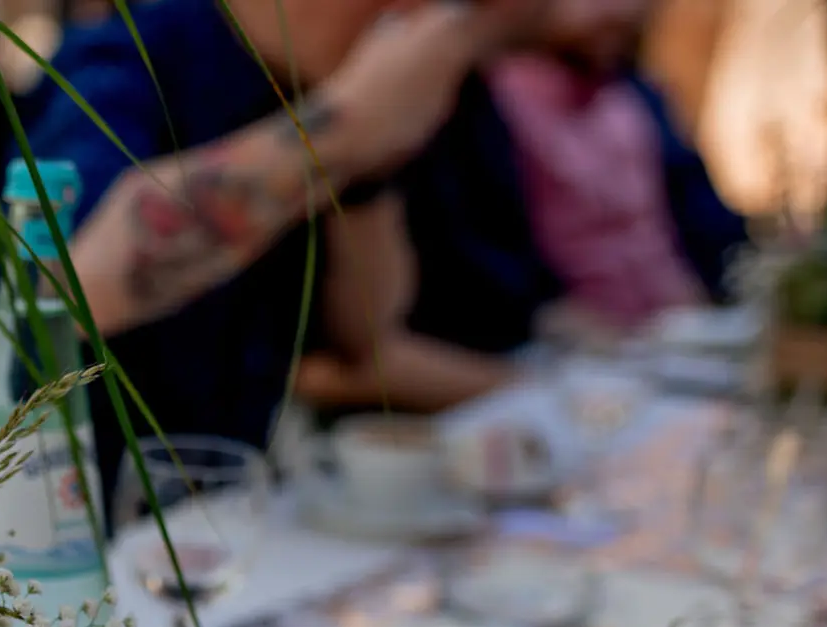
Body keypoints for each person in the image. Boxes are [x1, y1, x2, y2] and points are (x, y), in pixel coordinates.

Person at [24, 0, 536, 481]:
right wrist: (342, 127)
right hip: (65, 510)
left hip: (226, 497)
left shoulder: (312, 85)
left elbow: (363, 338)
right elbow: (72, 284)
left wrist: (371, 158)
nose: (418, 16)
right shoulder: (124, 60)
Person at [302, 0, 748, 413]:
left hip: (626, 357)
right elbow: (345, 359)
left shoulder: (632, 94)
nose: (624, 10)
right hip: (490, 389)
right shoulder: (489, 101)